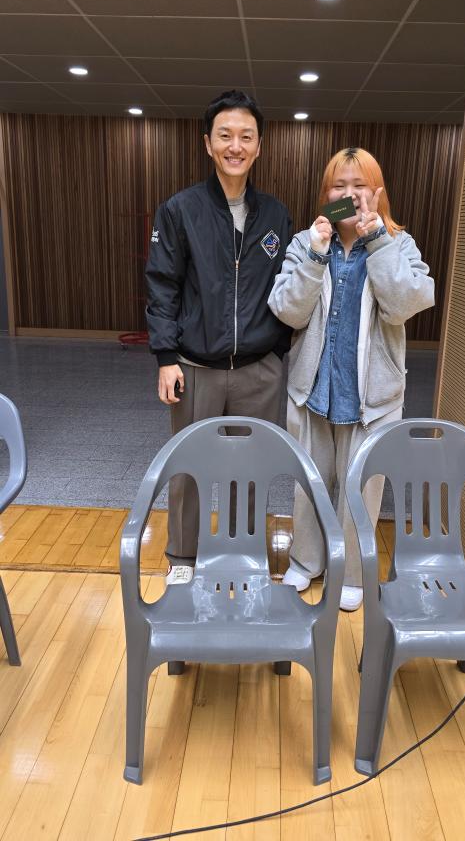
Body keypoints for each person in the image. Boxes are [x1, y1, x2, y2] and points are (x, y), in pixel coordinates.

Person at [268, 147, 434, 610]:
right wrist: (315, 255)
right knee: (310, 483)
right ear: (327, 195)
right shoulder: (305, 242)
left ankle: (354, 573)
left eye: (360, 186)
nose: (350, 194)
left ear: (377, 192)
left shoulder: (398, 243)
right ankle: (305, 561)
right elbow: (287, 310)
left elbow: (405, 304)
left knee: (362, 488)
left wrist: (377, 240)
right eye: (339, 186)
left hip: (371, 397)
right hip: (313, 389)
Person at [145, 89, 292, 584]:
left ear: (259, 146)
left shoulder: (275, 214)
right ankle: (183, 560)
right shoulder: (180, 210)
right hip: (195, 368)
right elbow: (162, 284)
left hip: (259, 370)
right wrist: (166, 356)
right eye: (225, 135)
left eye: (246, 137)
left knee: (249, 470)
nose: (236, 146)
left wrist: (276, 350)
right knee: (188, 468)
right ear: (208, 143)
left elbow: (288, 285)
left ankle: (240, 554)